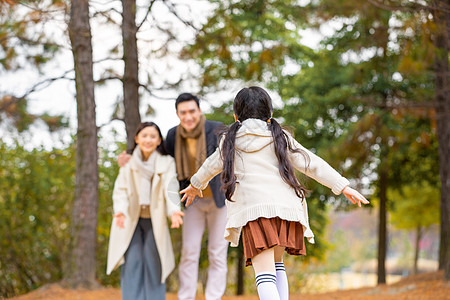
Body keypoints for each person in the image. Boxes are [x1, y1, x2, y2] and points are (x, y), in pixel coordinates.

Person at [180, 86, 369, 300]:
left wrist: (195, 184)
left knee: (264, 274)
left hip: (256, 213)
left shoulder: (230, 141)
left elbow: (209, 166)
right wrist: (342, 185)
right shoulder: (281, 136)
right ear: (270, 114)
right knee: (277, 266)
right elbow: (311, 163)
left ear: (236, 116)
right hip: (285, 211)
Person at [118, 93, 228, 300]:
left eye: (192, 111)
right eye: (183, 112)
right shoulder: (172, 135)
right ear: (177, 114)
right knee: (189, 252)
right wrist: (130, 155)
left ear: (199, 110)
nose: (188, 117)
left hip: (218, 201)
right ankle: (186, 296)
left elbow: (228, 157)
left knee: (217, 252)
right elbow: (157, 155)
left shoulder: (216, 129)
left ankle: (214, 296)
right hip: (192, 201)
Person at [107, 122, 184, 300]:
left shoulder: (166, 162)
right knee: (132, 262)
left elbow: (170, 187)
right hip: (131, 218)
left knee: (154, 262)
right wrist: (120, 211)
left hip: (153, 219)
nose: (148, 139)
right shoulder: (128, 161)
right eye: (144, 135)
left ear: (158, 141)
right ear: (137, 139)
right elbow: (121, 189)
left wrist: (174, 211)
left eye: (152, 136)